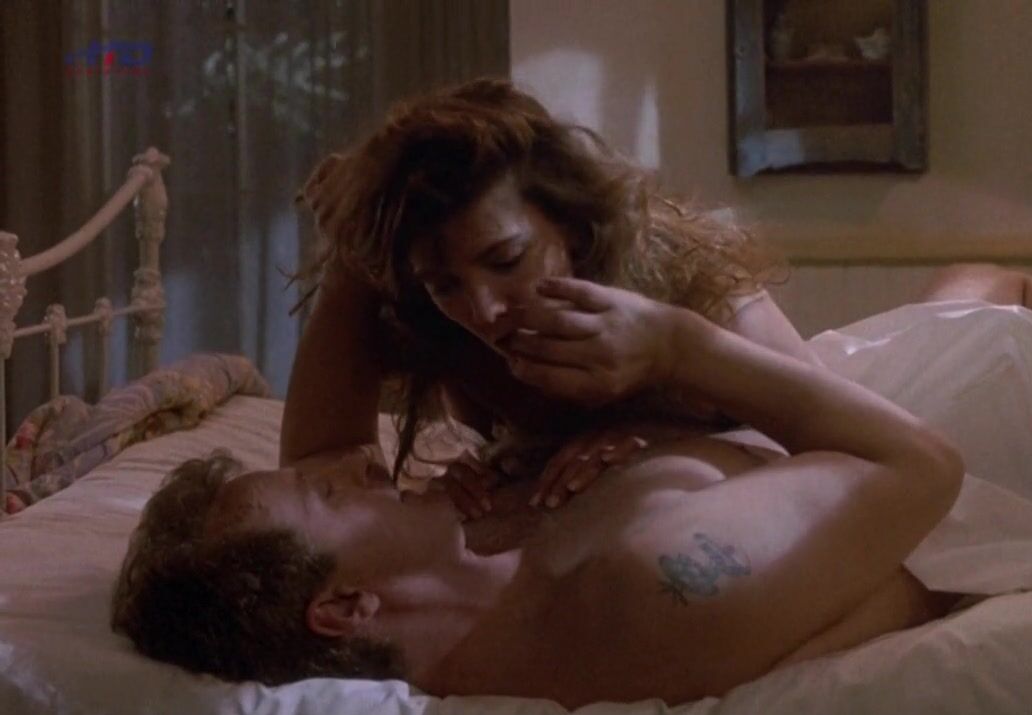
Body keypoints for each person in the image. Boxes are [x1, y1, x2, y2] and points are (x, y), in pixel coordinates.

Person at [112, 277, 967, 706]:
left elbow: (328, 440)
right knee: (994, 297)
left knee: (977, 288)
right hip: (957, 430)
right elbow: (923, 468)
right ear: (343, 609)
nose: (364, 465)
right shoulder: (641, 586)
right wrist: (678, 347)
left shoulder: (478, 564)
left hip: (845, 403)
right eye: (329, 494)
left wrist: (649, 438)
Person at [281, 77, 819, 516]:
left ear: (573, 225)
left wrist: (668, 436)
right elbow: (318, 474)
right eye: (445, 284)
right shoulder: (447, 329)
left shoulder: (694, 284)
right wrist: (352, 259)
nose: (485, 309)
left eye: (506, 260)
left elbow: (834, 437)